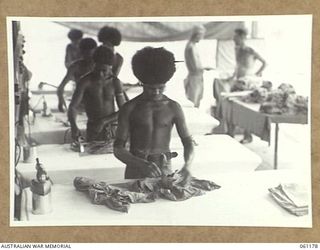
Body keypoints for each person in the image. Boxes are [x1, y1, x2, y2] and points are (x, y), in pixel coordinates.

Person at [113, 47, 195, 179]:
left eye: (161, 88)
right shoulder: (130, 108)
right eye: (151, 88)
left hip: (164, 167)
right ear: (142, 84)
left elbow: (188, 142)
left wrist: (188, 165)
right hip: (136, 168)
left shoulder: (173, 107)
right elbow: (118, 149)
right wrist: (141, 164)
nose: (156, 92)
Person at [68, 46, 126, 142]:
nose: (100, 74)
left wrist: (104, 121)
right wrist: (73, 126)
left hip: (112, 128)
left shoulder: (115, 82)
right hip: (93, 128)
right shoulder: (85, 81)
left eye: (104, 71)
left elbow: (124, 111)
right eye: (97, 69)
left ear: (110, 68)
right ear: (94, 65)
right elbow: (73, 107)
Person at [230, 28, 267, 143]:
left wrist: (257, 74)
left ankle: (248, 135)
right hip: (238, 81)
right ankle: (231, 133)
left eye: (236, 37)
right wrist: (232, 77)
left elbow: (265, 62)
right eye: (234, 37)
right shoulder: (237, 50)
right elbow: (238, 66)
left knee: (246, 109)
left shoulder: (250, 50)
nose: (234, 39)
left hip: (248, 82)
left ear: (242, 38)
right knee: (233, 107)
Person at [57, 38, 97, 112]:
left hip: (96, 105)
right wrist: (60, 101)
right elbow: (61, 87)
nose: (88, 58)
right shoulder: (75, 66)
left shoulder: (100, 66)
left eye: (90, 54)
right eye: (86, 54)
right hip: (80, 104)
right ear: (81, 52)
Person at [184, 25, 213, 108]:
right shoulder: (191, 47)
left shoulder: (192, 46)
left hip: (196, 77)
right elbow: (195, 67)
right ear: (197, 35)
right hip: (195, 78)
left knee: (197, 101)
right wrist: (206, 67)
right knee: (193, 103)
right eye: (201, 36)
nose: (201, 38)